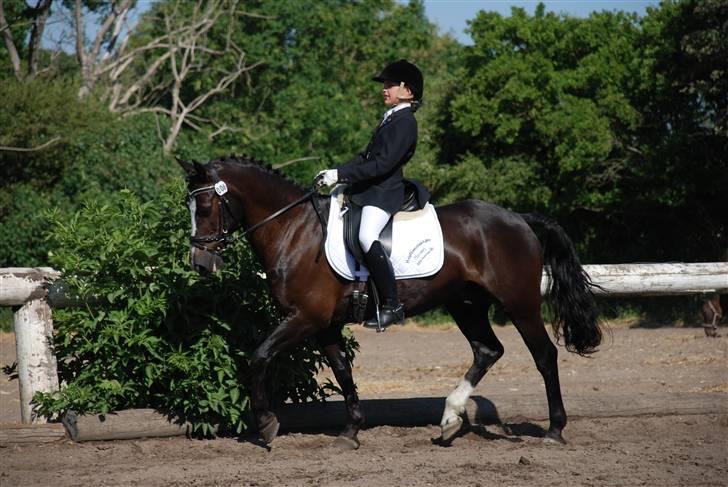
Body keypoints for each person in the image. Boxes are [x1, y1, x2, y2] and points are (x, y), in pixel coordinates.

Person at [315, 59, 424, 329]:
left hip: (384, 192)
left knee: (366, 235)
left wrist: (342, 176)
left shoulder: (405, 122)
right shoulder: (391, 118)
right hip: (368, 189)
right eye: (384, 85)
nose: (384, 89)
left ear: (407, 91)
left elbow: (383, 164)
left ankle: (391, 305)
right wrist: (336, 172)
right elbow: (365, 157)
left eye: (390, 85)